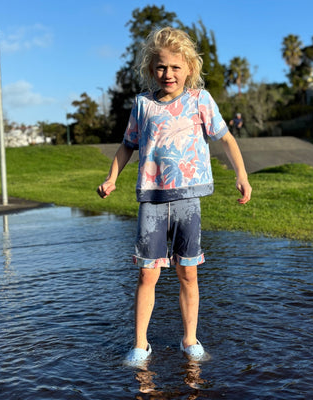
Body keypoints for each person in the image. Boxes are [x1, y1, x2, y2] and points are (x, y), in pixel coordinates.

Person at [97, 27, 252, 367]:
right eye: (161, 67)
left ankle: (190, 339)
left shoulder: (200, 100)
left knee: (188, 273)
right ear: (151, 69)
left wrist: (241, 174)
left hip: (187, 199)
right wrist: (112, 178)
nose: (168, 74)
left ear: (189, 69)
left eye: (175, 67)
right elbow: (127, 146)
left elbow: (225, 139)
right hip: (152, 201)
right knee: (147, 274)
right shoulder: (143, 105)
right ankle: (141, 344)